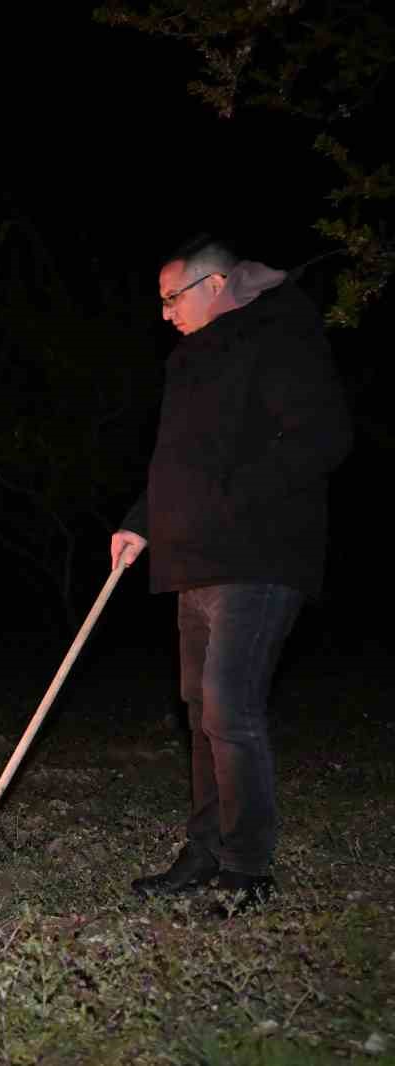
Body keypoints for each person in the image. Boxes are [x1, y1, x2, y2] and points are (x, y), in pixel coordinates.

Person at [113, 235, 351, 914]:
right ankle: (206, 850)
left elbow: (322, 436)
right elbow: (176, 460)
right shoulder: (189, 360)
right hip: (196, 560)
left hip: (260, 556)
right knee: (200, 711)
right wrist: (140, 519)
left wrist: (229, 499)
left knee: (228, 705)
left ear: (214, 284)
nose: (164, 314)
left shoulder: (278, 336)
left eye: (171, 298)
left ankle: (248, 867)